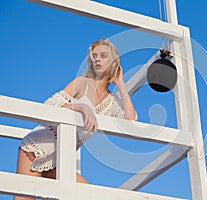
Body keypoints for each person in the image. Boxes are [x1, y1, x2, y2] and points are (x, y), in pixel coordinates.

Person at [14, 38, 137, 200]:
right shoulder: (82, 83)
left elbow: (131, 120)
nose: (97, 59)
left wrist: (120, 83)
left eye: (103, 55)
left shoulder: (112, 102)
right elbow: (50, 105)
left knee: (89, 196)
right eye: (94, 56)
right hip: (36, 149)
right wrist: (82, 108)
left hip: (59, 160)